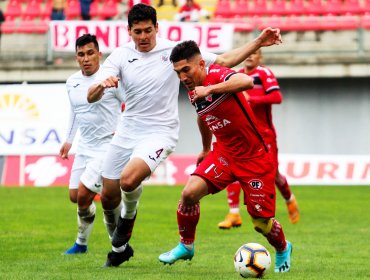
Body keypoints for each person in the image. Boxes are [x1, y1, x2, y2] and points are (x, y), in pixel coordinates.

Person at [87, 3, 282, 267]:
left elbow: (225, 61)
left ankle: (129, 220)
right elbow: (92, 95)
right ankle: (120, 246)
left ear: (157, 27)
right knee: (109, 195)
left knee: (129, 180)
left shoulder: (176, 55)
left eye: (147, 31)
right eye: (137, 32)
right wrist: (101, 85)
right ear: (128, 31)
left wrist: (258, 41)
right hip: (127, 130)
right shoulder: (120, 56)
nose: (143, 37)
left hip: (160, 131)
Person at [158, 40, 292, 273]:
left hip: (254, 158)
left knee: (261, 224)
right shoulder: (193, 91)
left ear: (200, 64)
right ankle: (186, 245)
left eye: (186, 70)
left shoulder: (217, 74)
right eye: (178, 73)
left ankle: (282, 248)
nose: (183, 77)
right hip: (224, 153)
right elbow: (203, 116)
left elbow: (246, 81)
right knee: (189, 194)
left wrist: (209, 89)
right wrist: (206, 148)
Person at [217, 49, 300, 229]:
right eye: (247, 53)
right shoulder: (237, 76)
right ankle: (233, 213)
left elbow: (277, 97)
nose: (249, 56)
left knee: (274, 175)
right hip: (245, 134)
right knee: (234, 170)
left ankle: (290, 199)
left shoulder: (263, 72)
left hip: (265, 135)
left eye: (254, 54)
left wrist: (251, 99)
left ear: (259, 57)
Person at [60, 34, 125, 254]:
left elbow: (131, 105)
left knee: (83, 196)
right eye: (81, 54)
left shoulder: (111, 80)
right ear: (76, 58)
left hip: (107, 147)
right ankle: (114, 202)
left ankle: (84, 243)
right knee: (74, 197)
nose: (86, 58)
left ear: (99, 54)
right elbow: (75, 111)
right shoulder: (72, 82)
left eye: (90, 53)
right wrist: (68, 141)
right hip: (84, 147)